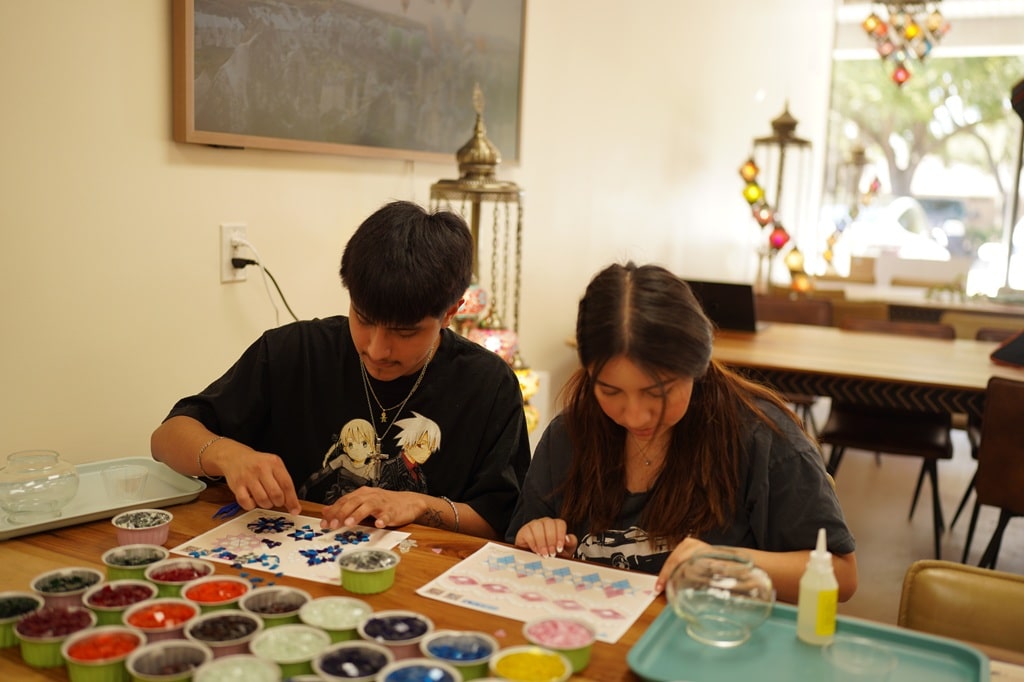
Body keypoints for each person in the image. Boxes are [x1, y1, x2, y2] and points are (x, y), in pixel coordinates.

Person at [151, 200, 532, 540]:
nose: (376, 348)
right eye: (364, 319)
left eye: (405, 332)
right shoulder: (293, 351)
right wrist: (227, 455)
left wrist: (420, 506)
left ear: (450, 313)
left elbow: (498, 520)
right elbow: (167, 438)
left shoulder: (488, 384)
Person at [505, 262, 857, 603]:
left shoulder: (762, 439)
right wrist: (536, 540)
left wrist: (726, 562)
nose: (635, 415)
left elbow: (841, 576)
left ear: (697, 365)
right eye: (610, 392)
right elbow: (522, 543)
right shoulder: (570, 435)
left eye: (658, 393)